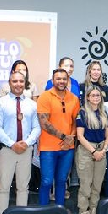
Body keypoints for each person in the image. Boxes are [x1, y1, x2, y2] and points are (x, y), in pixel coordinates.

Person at [0, 72, 41, 214]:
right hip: (8, 150)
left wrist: (27, 143)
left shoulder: (32, 105)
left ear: (25, 83)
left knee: (23, 187)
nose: (18, 84)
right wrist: (12, 144)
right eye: (14, 81)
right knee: (4, 187)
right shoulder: (0, 103)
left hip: (26, 150)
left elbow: (37, 127)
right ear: (9, 83)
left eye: (21, 81)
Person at [37, 69, 80, 205]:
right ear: (52, 80)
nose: (61, 81)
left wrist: (70, 139)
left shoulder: (74, 99)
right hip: (48, 148)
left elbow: (75, 122)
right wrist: (63, 137)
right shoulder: (44, 97)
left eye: (64, 79)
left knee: (62, 181)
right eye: (58, 78)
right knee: (47, 181)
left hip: (67, 148)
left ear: (68, 80)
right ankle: (43, 211)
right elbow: (44, 123)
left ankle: (60, 211)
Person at [76, 86, 108, 214]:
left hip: (101, 150)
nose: (96, 98)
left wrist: (103, 150)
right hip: (87, 151)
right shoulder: (82, 112)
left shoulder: (103, 113)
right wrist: (93, 151)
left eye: (98, 95)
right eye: (93, 95)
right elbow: (80, 136)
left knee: (97, 185)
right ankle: (84, 213)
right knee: (85, 186)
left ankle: (94, 211)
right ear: (88, 97)